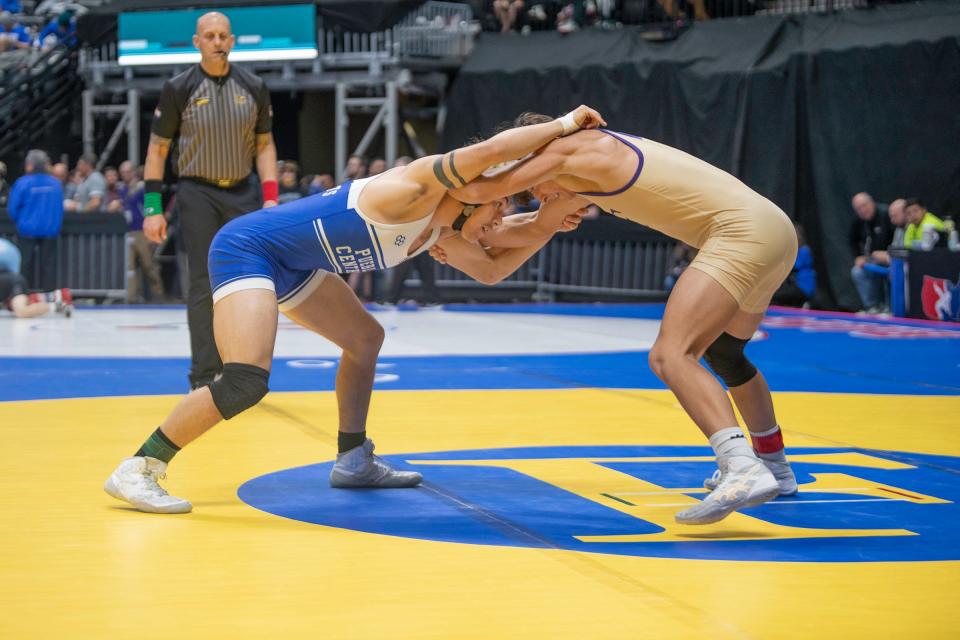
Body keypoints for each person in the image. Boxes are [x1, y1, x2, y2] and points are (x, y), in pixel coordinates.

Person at [103, 105, 604, 514]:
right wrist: (563, 126)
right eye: (499, 207)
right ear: (476, 198)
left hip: (292, 264)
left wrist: (552, 220)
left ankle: (352, 458)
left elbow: (493, 268)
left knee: (365, 339)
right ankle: (141, 467)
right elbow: (492, 155)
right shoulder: (419, 186)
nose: (501, 220)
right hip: (247, 249)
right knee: (244, 381)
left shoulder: (440, 230)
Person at [449, 116, 800, 525]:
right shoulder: (581, 167)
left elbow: (480, 188)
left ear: (533, 156)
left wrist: (440, 217)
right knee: (726, 354)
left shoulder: (570, 150)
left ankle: (741, 466)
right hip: (775, 230)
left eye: (533, 188)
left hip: (741, 233)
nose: (539, 197)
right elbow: (521, 229)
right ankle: (774, 465)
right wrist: (471, 232)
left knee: (672, 356)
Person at [141, 11, 279, 390]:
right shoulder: (179, 88)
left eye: (223, 36)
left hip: (243, 190)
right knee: (203, 282)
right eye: (210, 36)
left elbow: (265, 146)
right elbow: (157, 149)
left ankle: (245, 372)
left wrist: (270, 198)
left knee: (250, 283)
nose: (217, 41)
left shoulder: (253, 85)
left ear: (232, 41)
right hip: (196, 191)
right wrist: (152, 209)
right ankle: (203, 377)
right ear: (197, 42)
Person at [7, 149, 63, 291]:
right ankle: (49, 296)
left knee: (25, 264)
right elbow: (59, 207)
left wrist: (20, 222)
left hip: (27, 229)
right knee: (49, 265)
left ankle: (23, 294)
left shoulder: (22, 183)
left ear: (30, 165)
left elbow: (12, 208)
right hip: (50, 230)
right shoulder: (55, 184)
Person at [110, 160, 165, 302]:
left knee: (148, 264)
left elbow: (151, 208)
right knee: (130, 266)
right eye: (122, 173)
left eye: (127, 172)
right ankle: (132, 296)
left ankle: (158, 293)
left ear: (133, 172)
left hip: (142, 231)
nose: (124, 175)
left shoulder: (142, 188)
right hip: (128, 231)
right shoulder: (122, 190)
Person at [0, 239, 73, 318]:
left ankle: (54, 305)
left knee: (21, 311)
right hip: (12, 280)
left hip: (12, 282)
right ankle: (54, 300)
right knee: (20, 307)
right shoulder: (7, 246)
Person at [848, 192, 893, 313]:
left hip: (891, 260)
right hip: (873, 261)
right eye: (859, 208)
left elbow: (899, 238)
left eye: (864, 205)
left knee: (892, 274)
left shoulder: (886, 214)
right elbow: (852, 240)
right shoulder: (858, 221)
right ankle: (872, 307)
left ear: (871, 202)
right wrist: (858, 257)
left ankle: (889, 308)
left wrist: (888, 255)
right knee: (857, 272)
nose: (863, 210)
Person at [771, 224, 816, 308]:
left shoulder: (804, 251)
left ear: (799, 238)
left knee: (776, 294)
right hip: (794, 285)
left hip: (803, 286)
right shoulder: (793, 252)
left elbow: (795, 265)